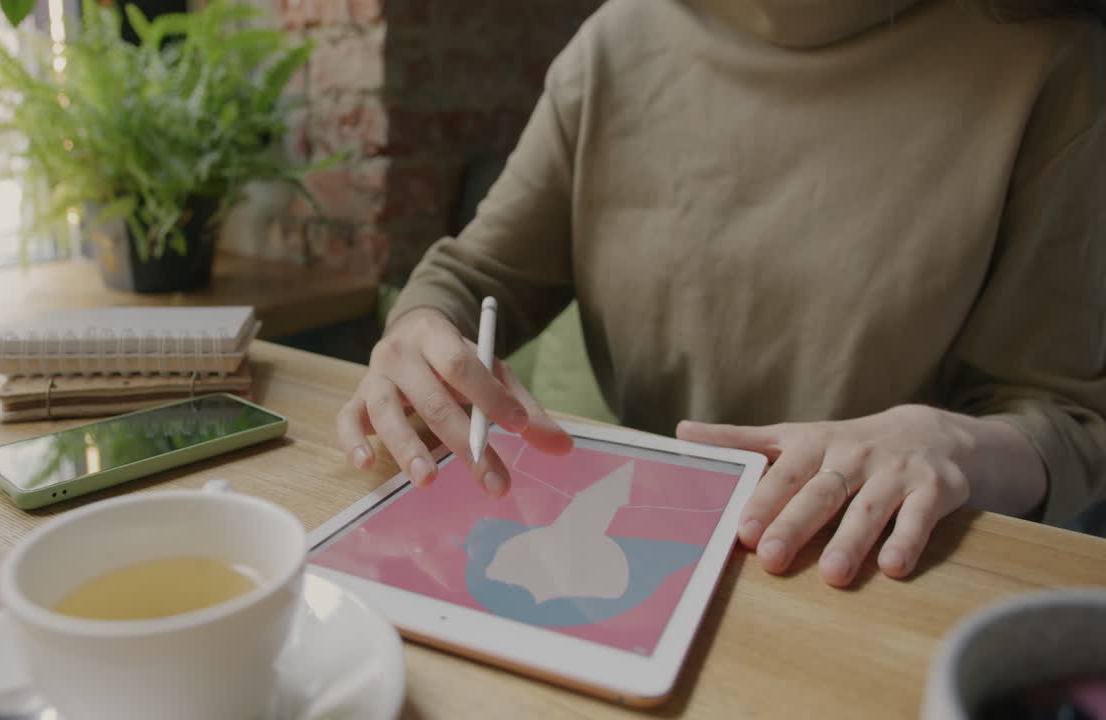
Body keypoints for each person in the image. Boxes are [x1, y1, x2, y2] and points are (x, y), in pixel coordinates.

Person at [335, 0, 1106, 588]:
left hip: (880, 577)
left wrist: (954, 443)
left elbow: (1069, 421)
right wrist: (420, 330)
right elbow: (476, 276)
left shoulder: (1053, 65)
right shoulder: (618, 39)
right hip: (635, 552)